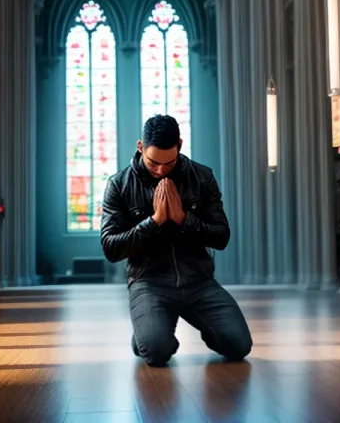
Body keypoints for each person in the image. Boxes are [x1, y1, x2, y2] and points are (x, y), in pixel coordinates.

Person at [100, 114, 252, 366]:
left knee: (239, 346)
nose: (161, 171)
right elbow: (111, 248)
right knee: (156, 352)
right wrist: (155, 221)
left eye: (169, 163)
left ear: (180, 145)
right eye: (153, 163)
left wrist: (183, 219)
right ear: (140, 147)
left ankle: (158, 328)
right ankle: (149, 332)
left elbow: (221, 236)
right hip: (149, 283)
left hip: (199, 281)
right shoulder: (119, 184)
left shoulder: (202, 177)